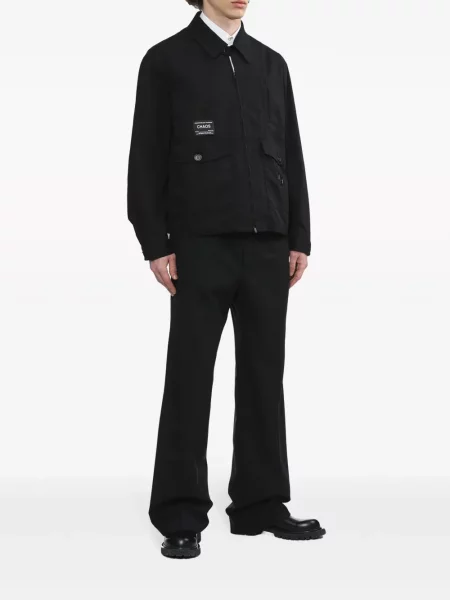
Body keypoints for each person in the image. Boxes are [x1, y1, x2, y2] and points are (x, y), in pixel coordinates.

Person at [127, 0, 326, 559]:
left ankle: (261, 504)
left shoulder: (271, 64)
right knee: (189, 378)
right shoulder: (166, 60)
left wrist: (299, 236)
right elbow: (145, 158)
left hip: (268, 247)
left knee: (264, 377)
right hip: (199, 247)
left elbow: (290, 152)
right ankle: (180, 513)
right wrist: (155, 242)